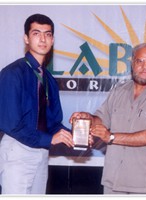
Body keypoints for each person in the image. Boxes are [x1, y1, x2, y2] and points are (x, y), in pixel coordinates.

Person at [70, 43, 146, 194]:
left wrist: (111, 137)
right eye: (140, 61)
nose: (145, 67)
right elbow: (101, 119)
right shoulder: (119, 91)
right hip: (113, 181)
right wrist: (87, 118)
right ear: (132, 63)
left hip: (144, 187)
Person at [0, 14, 74, 194]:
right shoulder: (12, 73)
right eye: (36, 33)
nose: (43, 39)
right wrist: (50, 139)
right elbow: (12, 125)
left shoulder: (48, 78)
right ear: (26, 38)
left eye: (48, 34)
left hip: (41, 152)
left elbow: (54, 122)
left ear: (53, 39)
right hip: (18, 150)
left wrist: (76, 135)